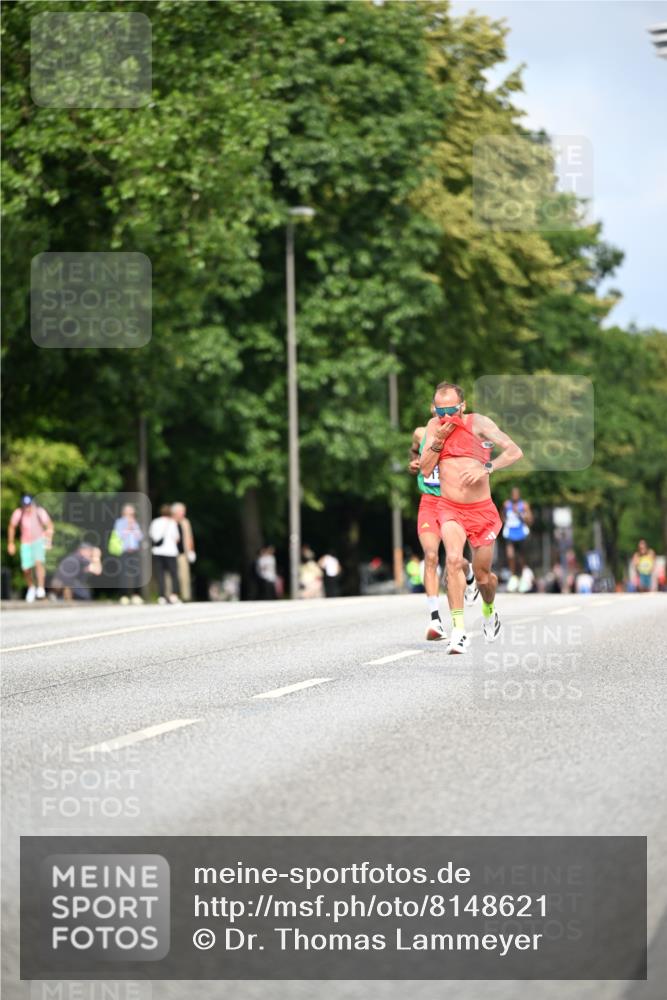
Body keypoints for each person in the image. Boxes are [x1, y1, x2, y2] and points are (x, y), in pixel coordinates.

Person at [419, 381, 523, 654]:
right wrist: (439, 439)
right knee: (453, 560)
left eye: (451, 410)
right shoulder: (433, 428)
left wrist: (487, 467)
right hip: (450, 507)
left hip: (482, 511)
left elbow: (514, 451)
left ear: (462, 406)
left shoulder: (479, 423)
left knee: (483, 576)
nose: (445, 416)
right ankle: (459, 632)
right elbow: (426, 470)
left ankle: (489, 610)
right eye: (439, 411)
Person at [409, 409, 478, 641]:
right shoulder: (421, 433)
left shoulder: (463, 433)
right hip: (429, 502)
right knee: (430, 556)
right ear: (432, 409)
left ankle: (469, 572)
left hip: (453, 502)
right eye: (439, 408)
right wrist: (414, 462)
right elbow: (414, 453)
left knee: (454, 559)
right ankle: (435, 620)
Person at [7, 494, 53, 602]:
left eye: (28, 505)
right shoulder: (18, 513)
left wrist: (48, 540)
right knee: (26, 568)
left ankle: (41, 589)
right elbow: (12, 526)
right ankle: (31, 587)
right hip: (26, 542)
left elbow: (49, 526)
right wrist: (11, 543)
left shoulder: (39, 512)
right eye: (25, 505)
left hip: (38, 540)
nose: (27, 508)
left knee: (38, 562)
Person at [112, 503, 144, 605]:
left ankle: (136, 595)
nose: (130, 514)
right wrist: (128, 527)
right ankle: (124, 596)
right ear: (124, 513)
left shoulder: (135, 523)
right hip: (124, 551)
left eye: (132, 512)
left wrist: (133, 527)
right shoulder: (119, 522)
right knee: (124, 574)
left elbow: (140, 537)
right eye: (129, 512)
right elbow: (119, 536)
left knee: (137, 573)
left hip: (134, 551)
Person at [502, 486, 533, 590]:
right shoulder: (507, 504)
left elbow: (530, 520)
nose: (514, 496)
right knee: (510, 555)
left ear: (519, 495)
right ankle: (513, 576)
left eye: (516, 494)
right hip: (510, 534)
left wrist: (520, 513)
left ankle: (524, 576)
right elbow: (502, 516)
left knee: (521, 557)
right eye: (513, 494)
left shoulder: (524, 505)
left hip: (521, 534)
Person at [149, 504, 181, 604]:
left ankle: (161, 596)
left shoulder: (155, 522)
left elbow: (152, 536)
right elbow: (176, 538)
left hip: (158, 552)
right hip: (170, 552)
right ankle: (174, 595)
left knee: (160, 574)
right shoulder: (172, 523)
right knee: (174, 574)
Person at [172, 502, 196, 602]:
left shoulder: (185, 522)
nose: (183, 513)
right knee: (171, 576)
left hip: (183, 553)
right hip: (171, 553)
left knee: (184, 575)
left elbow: (189, 537)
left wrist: (191, 551)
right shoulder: (169, 522)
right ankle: (171, 595)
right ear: (175, 512)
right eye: (182, 511)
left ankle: (185, 596)